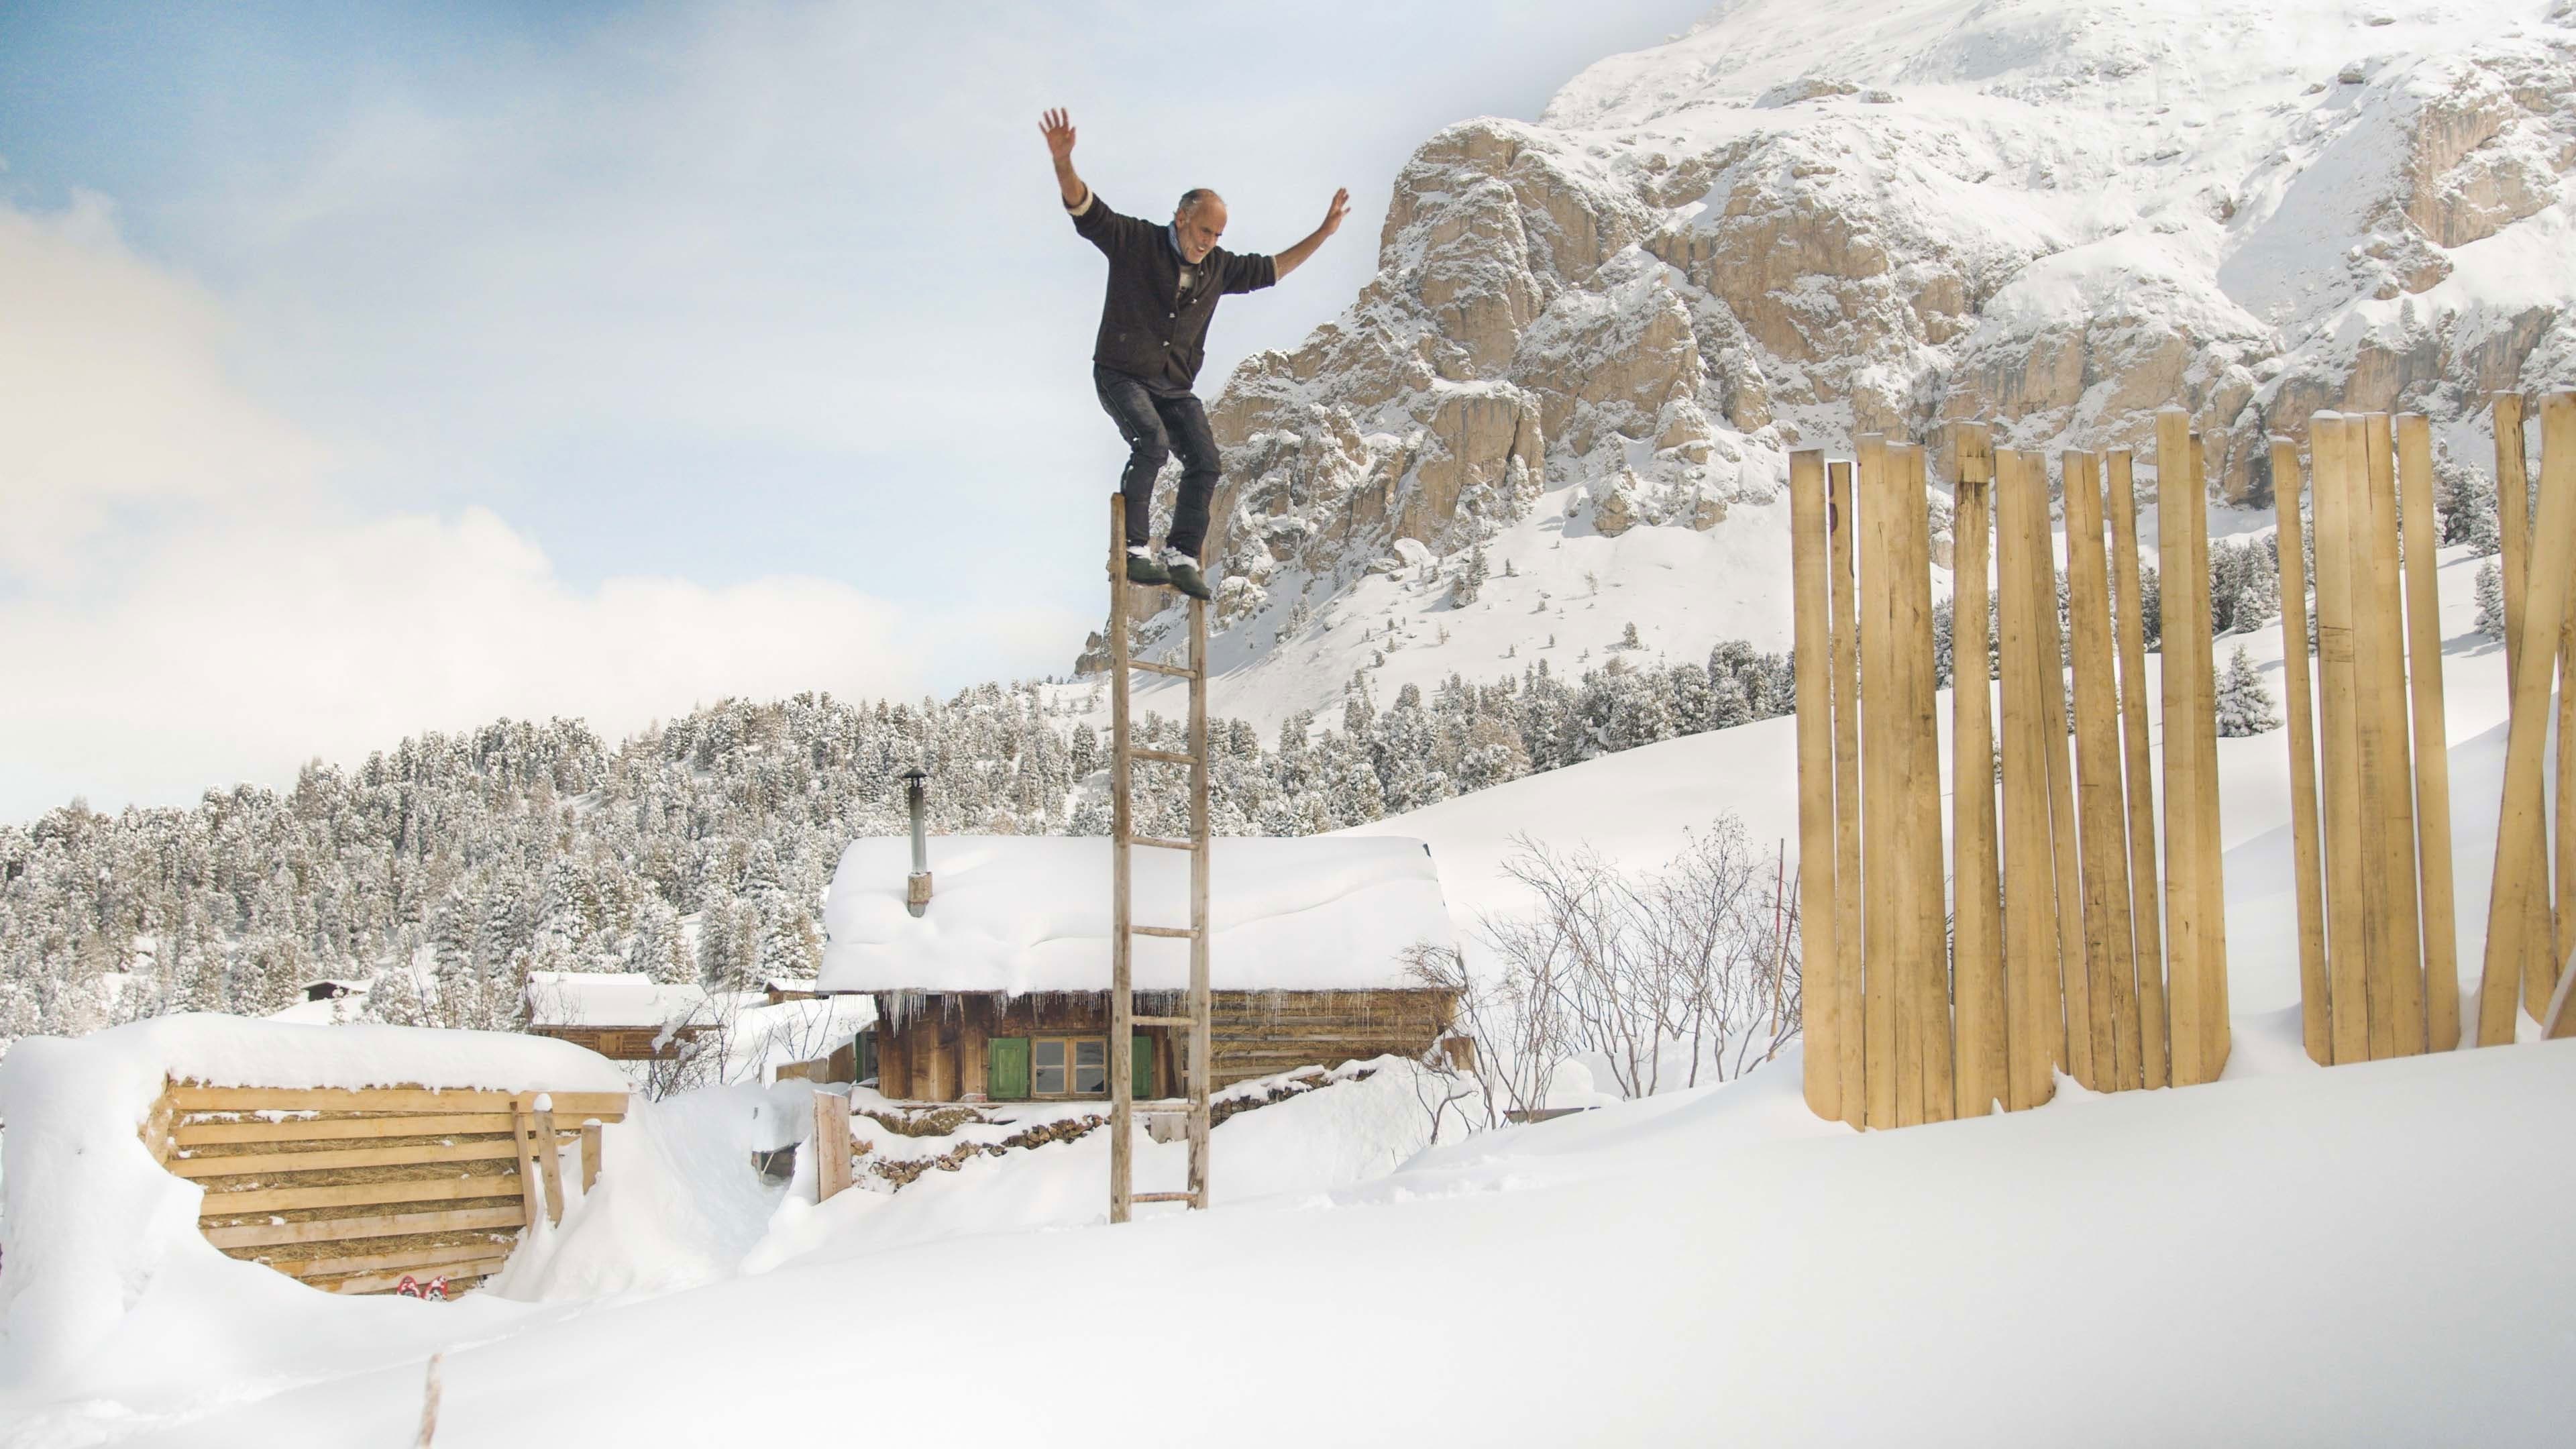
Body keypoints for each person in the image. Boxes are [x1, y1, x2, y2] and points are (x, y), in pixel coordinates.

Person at [1042, 107, 1348, 600]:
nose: (1210, 243)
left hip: (1173, 386)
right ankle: (1132, 550)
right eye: (1205, 231)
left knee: (1206, 460)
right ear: (1182, 218)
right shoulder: (1137, 242)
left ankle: (1182, 555)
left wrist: (1323, 233)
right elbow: (1085, 209)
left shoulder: (1219, 267)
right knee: (1152, 442)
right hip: (1121, 373)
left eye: (1218, 236)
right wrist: (1063, 162)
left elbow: (1273, 270)